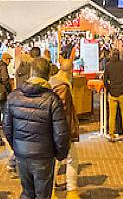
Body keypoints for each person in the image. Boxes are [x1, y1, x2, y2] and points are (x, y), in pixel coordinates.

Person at [4, 58, 70, 199]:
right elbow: (61, 133)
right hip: (43, 155)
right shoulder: (52, 99)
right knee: (43, 195)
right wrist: (60, 154)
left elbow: (7, 128)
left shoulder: (14, 96)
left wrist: (16, 147)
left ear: (31, 73)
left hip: (22, 154)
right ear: (47, 75)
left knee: (27, 193)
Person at [49, 58, 80, 199]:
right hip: (63, 129)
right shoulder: (63, 86)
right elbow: (64, 112)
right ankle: (71, 190)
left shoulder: (52, 82)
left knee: (57, 159)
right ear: (70, 70)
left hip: (53, 128)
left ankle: (52, 190)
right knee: (70, 159)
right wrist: (68, 131)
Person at [103, 49, 123, 141]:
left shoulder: (108, 66)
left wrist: (109, 89)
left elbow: (105, 80)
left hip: (112, 93)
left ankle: (111, 135)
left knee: (112, 115)